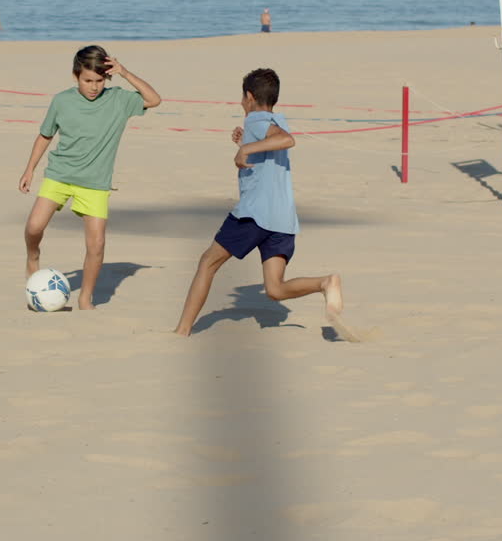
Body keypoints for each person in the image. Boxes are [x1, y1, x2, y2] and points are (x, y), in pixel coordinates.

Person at [174, 68, 358, 340]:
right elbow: (274, 141)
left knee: (207, 263)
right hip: (282, 219)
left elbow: (286, 140)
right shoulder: (274, 119)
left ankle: (182, 330)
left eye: (241, 97)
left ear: (249, 96)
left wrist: (245, 148)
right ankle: (324, 283)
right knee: (275, 289)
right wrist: (244, 141)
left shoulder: (257, 120)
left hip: (254, 215)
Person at [19, 45, 161, 310]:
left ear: (106, 78)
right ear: (76, 76)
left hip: (95, 184)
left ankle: (86, 297)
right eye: (87, 81)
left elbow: (154, 99)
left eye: (99, 80)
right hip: (60, 175)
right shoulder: (61, 101)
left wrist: (125, 73)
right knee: (34, 227)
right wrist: (30, 169)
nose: (93, 87)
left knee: (96, 244)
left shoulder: (119, 99)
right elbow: (45, 136)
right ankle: (32, 257)